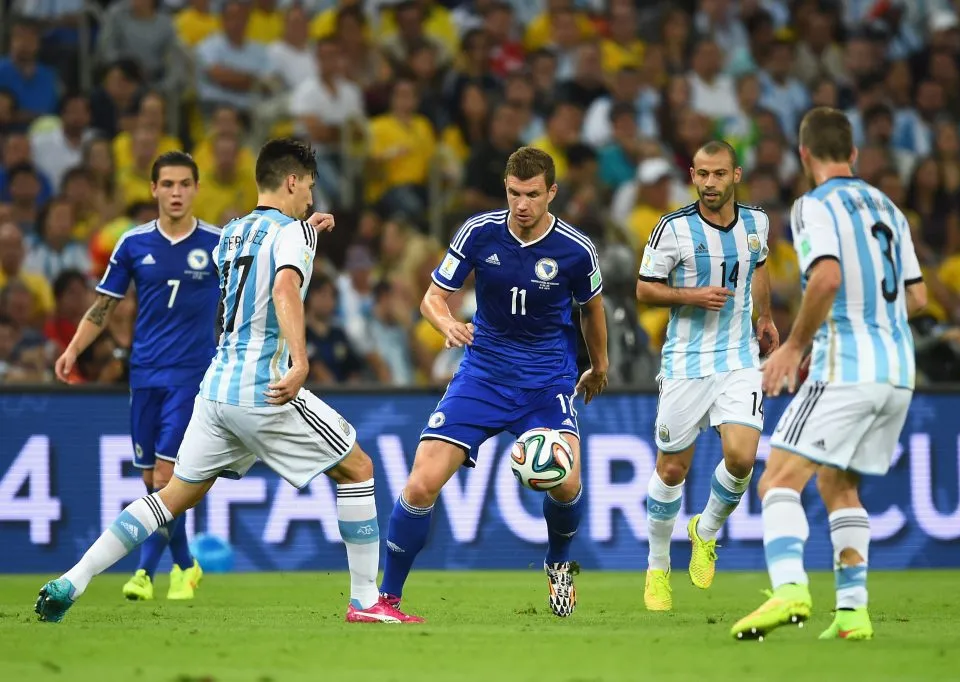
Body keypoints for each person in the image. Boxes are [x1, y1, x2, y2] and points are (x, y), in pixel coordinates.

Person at [37, 139, 412, 625]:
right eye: (310, 189)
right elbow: (282, 288)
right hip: (264, 385)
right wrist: (299, 362)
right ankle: (365, 602)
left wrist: (308, 233)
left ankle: (72, 580)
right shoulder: (293, 232)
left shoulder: (232, 232)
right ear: (293, 181)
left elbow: (262, 261)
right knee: (357, 469)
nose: (312, 202)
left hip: (214, 390)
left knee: (171, 497)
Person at [379, 146, 609, 619]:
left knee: (566, 485)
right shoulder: (479, 233)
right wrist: (446, 325)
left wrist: (600, 365)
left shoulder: (575, 249)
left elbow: (593, 311)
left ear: (552, 193)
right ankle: (387, 599)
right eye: (513, 193)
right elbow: (432, 298)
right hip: (482, 376)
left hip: (546, 383)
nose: (521, 204)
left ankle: (559, 564)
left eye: (531, 194)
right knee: (421, 484)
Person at [730, 108, 927, 642]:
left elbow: (828, 279)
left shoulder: (813, 205)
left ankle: (790, 588)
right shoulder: (890, 208)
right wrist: (865, 325)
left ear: (804, 155)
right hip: (898, 372)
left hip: (849, 368)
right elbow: (918, 296)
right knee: (838, 483)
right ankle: (852, 614)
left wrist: (796, 346)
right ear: (854, 153)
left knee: (777, 480)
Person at [53, 151, 219, 601]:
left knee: (165, 478)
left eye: (185, 184)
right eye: (168, 184)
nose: (177, 193)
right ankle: (185, 565)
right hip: (144, 375)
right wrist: (72, 350)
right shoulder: (133, 244)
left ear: (197, 189)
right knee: (151, 483)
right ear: (153, 190)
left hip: (192, 377)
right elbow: (103, 306)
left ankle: (143, 575)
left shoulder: (219, 244)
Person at [637, 140, 778, 611]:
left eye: (718, 174)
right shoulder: (673, 228)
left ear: (736, 174)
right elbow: (644, 289)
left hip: (738, 359)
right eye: (701, 174)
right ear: (692, 176)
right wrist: (692, 296)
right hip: (685, 362)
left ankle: (706, 530)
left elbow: (759, 269)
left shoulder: (757, 222)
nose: (709, 183)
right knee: (672, 468)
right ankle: (658, 568)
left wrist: (765, 318)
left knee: (741, 458)